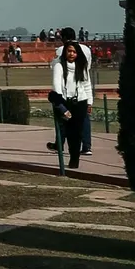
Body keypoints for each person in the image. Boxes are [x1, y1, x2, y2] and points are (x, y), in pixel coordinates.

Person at [48, 26, 93, 170]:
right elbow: (57, 86)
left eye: (74, 52)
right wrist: (62, 107)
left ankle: (74, 159)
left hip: (79, 100)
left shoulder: (81, 66)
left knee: (76, 132)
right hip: (65, 101)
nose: (72, 53)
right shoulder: (60, 65)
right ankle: (71, 149)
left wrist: (89, 102)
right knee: (66, 128)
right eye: (70, 51)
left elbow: (87, 84)